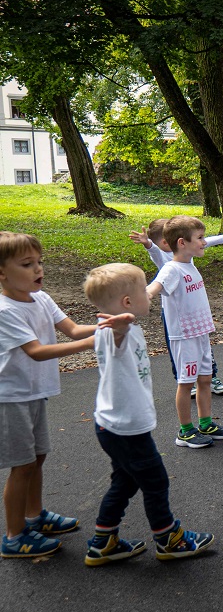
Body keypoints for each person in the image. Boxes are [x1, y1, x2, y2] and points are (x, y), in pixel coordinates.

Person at [81, 263, 214, 565]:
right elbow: (116, 338)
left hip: (115, 426)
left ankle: (103, 541)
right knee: (156, 482)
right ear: (127, 303)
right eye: (144, 290)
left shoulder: (122, 329)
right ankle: (169, 538)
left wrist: (125, 325)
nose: (150, 295)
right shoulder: (115, 332)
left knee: (125, 482)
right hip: (126, 429)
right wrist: (121, 326)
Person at [0, 232, 99, 558]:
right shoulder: (5, 310)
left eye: (39, 262)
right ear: (2, 273)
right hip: (11, 397)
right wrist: (88, 344)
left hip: (34, 393)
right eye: (27, 264)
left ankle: (36, 516)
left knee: (38, 457)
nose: (37, 269)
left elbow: (71, 329)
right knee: (23, 463)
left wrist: (106, 325)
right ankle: (14, 536)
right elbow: (37, 351)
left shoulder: (40, 298)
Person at [146, 215, 223, 448]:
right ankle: (185, 431)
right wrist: (141, 297)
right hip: (184, 336)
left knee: (205, 379)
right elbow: (154, 287)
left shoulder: (189, 265)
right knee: (186, 383)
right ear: (181, 243)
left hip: (201, 333)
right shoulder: (171, 269)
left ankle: (206, 424)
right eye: (200, 238)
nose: (204, 242)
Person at [129, 218, 223, 396]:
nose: (203, 242)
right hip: (178, 319)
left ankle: (210, 378)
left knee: (205, 354)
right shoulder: (168, 264)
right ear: (175, 242)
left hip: (197, 322)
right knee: (179, 354)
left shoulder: (189, 260)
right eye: (199, 238)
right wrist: (148, 244)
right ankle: (185, 380)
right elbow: (156, 279)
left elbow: (207, 241)